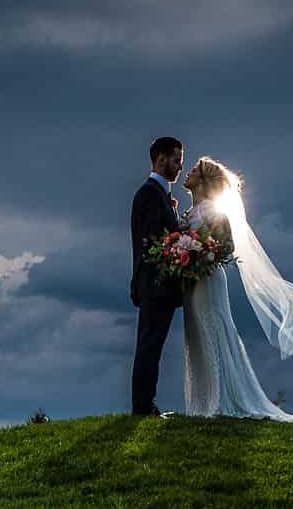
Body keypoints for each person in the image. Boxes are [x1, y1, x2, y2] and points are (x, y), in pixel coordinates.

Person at [179, 155, 293, 419]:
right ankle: (202, 403)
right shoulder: (188, 213)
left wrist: (202, 254)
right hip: (192, 284)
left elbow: (226, 245)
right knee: (196, 336)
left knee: (214, 331)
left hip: (208, 279)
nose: (187, 172)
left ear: (203, 181)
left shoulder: (213, 212)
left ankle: (222, 399)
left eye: (193, 170)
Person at [129, 135, 186, 417]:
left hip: (159, 286)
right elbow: (151, 244)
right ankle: (142, 407)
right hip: (155, 285)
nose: (179, 167)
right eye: (176, 160)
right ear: (160, 159)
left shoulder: (160, 195)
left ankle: (145, 404)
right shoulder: (149, 195)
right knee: (149, 346)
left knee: (152, 345)